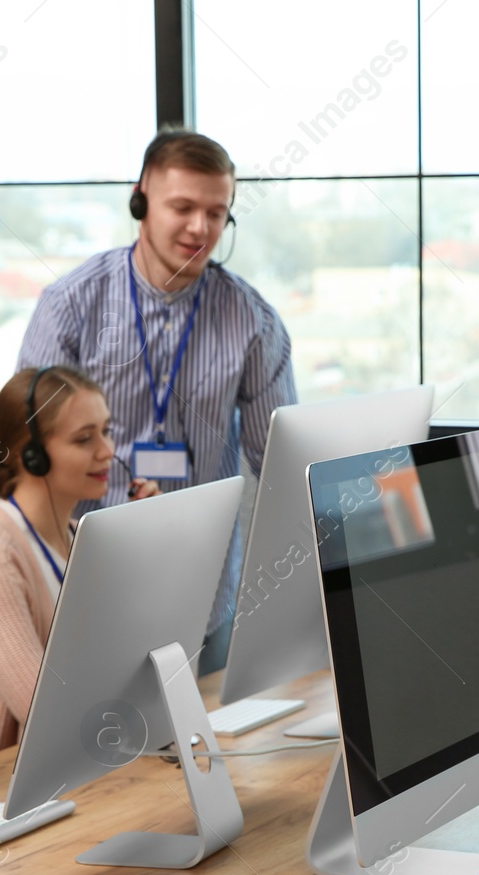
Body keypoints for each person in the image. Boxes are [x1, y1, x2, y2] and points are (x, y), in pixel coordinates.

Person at [15, 128, 296, 671]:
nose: (200, 228)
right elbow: (28, 457)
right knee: (104, 754)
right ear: (142, 198)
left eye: (217, 213)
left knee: (206, 750)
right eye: (183, 207)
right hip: (87, 587)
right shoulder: (71, 306)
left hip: (206, 590)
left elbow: (283, 465)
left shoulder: (252, 319)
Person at [0, 366, 158, 764]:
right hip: (3, 790)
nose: (108, 451)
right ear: (32, 455)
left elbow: (140, 670)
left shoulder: (86, 541)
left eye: (107, 431)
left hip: (85, 763)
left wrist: (145, 549)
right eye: (84, 438)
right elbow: (44, 710)